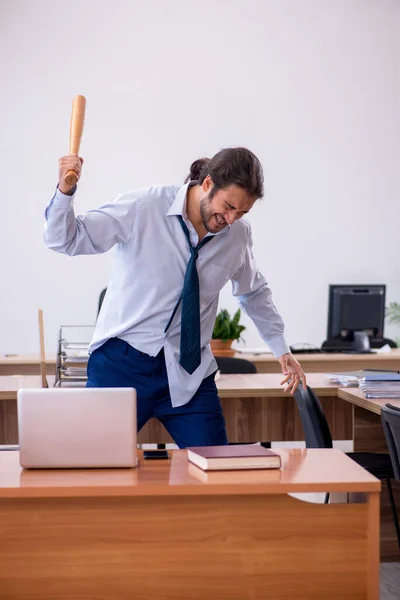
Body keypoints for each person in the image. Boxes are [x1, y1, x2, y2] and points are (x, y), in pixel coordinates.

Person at [44, 147, 306, 448]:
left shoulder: (237, 234)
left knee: (217, 474)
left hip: (189, 371)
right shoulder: (144, 207)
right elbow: (65, 239)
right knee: (94, 466)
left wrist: (281, 349)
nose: (231, 219)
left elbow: (254, 292)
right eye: (229, 206)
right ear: (207, 184)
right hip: (122, 363)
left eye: (242, 212)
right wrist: (66, 190)